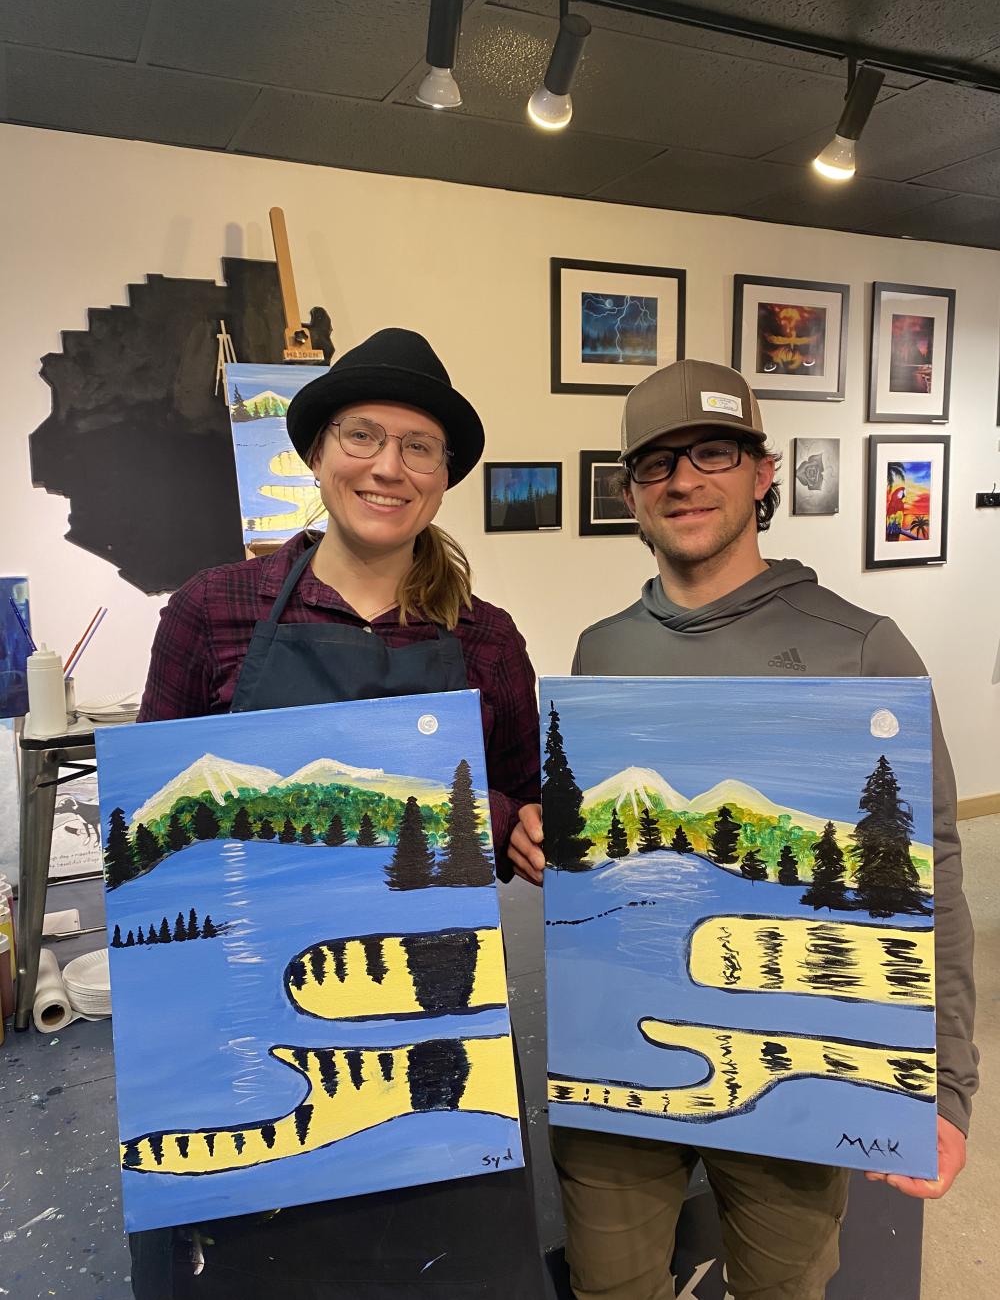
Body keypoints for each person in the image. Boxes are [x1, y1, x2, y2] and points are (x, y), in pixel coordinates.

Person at [509, 358, 978, 1300]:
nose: (685, 480)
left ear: (763, 474)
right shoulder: (601, 650)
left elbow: (939, 874)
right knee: (609, 1285)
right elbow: (597, 840)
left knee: (782, 1287)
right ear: (633, 494)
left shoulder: (861, 645)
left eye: (713, 451)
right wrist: (545, 840)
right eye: (657, 463)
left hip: (797, 1052)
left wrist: (951, 1081)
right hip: (621, 1060)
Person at [130, 328, 547, 1299]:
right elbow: (153, 819)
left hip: (436, 1009)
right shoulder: (212, 610)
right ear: (316, 454)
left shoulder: (484, 639)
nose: (386, 467)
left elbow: (525, 802)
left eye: (418, 447)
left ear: (442, 476)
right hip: (245, 1008)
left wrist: (524, 826)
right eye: (362, 436)